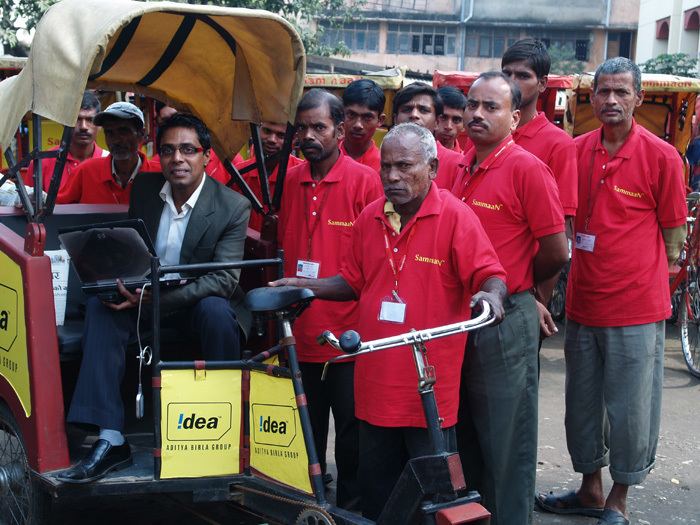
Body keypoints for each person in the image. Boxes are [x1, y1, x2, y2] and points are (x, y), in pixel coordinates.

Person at [272, 122, 507, 520]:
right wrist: (301, 284)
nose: (392, 177)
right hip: (375, 387)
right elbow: (352, 281)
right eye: (386, 167)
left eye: (404, 166)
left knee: (435, 502)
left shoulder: (455, 216)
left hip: (428, 392)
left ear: (432, 168)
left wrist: (492, 296)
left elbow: (490, 275)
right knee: (378, 496)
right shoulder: (369, 217)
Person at [58, 113, 251, 483]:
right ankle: (110, 437)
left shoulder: (231, 206)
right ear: (157, 155)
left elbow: (224, 280)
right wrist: (123, 284)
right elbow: (134, 252)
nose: (177, 158)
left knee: (216, 312)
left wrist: (152, 300)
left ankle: (224, 430)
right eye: (168, 150)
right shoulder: (146, 189)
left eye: (187, 150)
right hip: (147, 295)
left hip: (195, 302)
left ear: (205, 156)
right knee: (102, 307)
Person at [536, 58, 686, 525]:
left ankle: (618, 498)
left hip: (637, 307)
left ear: (639, 99)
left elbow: (674, 236)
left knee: (630, 408)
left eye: (622, 92)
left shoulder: (662, 157)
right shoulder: (576, 150)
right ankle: (589, 489)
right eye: (603, 92)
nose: (612, 101)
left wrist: (651, 282)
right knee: (582, 405)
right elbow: (559, 221)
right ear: (591, 97)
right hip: (583, 302)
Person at [452, 71, 568, 525]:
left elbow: (557, 251)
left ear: (514, 117)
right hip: (460, 319)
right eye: (472, 105)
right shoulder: (461, 165)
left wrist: (520, 286)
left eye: (491, 107)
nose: (477, 114)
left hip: (505, 320)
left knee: (507, 443)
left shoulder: (526, 168)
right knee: (468, 439)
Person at [278, 89, 383, 509]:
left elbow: (373, 262)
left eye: (318, 127)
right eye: (302, 127)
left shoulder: (365, 181)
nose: (308, 135)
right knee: (306, 430)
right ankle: (310, 505)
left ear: (339, 131)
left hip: (348, 337)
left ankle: (352, 508)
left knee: (353, 434)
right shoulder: (289, 180)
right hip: (299, 332)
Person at [501, 38, 579, 337]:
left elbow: (560, 235)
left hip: (524, 296)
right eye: (507, 73)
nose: (512, 82)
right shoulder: (484, 136)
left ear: (543, 83)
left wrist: (537, 301)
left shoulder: (558, 144)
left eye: (523, 75)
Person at [57, 102, 161, 204]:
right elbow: (56, 210)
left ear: (141, 134)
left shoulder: (160, 174)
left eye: (123, 131)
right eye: (109, 133)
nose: (116, 140)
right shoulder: (85, 172)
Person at [26, 91, 107, 192]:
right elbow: (29, 205)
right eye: (77, 119)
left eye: (90, 120)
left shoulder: (110, 162)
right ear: (64, 123)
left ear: (100, 125)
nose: (83, 127)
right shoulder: (41, 163)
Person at [232, 121, 303, 231]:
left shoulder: (302, 175)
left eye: (281, 136)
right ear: (257, 131)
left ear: (294, 141)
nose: (272, 139)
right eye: (267, 131)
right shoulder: (240, 171)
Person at [392, 83, 463, 189]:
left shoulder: (458, 165)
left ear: (437, 122)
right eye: (407, 109)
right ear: (395, 119)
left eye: (423, 110)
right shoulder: (384, 159)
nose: (414, 115)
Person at [152, 103, 232, 184]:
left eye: (188, 150)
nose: (177, 158)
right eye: (165, 121)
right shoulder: (155, 166)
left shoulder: (228, 160)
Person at [340, 78, 386, 173]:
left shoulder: (383, 167)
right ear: (341, 114)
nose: (358, 125)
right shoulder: (324, 156)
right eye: (351, 115)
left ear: (380, 120)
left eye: (367, 117)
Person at [435, 86, 467, 153]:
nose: (449, 126)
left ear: (464, 125)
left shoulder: (467, 162)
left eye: (456, 120)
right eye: (443, 117)